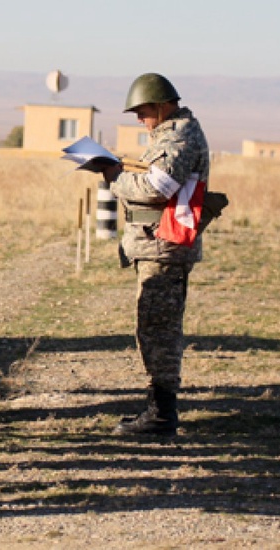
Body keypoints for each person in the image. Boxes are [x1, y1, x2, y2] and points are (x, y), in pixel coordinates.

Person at [101, 73, 209, 436]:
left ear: (163, 106)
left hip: (163, 245)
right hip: (156, 244)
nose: (139, 119)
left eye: (143, 111)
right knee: (153, 327)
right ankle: (159, 409)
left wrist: (115, 177)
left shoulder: (178, 137)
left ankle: (161, 415)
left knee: (158, 330)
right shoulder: (171, 135)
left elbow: (156, 187)